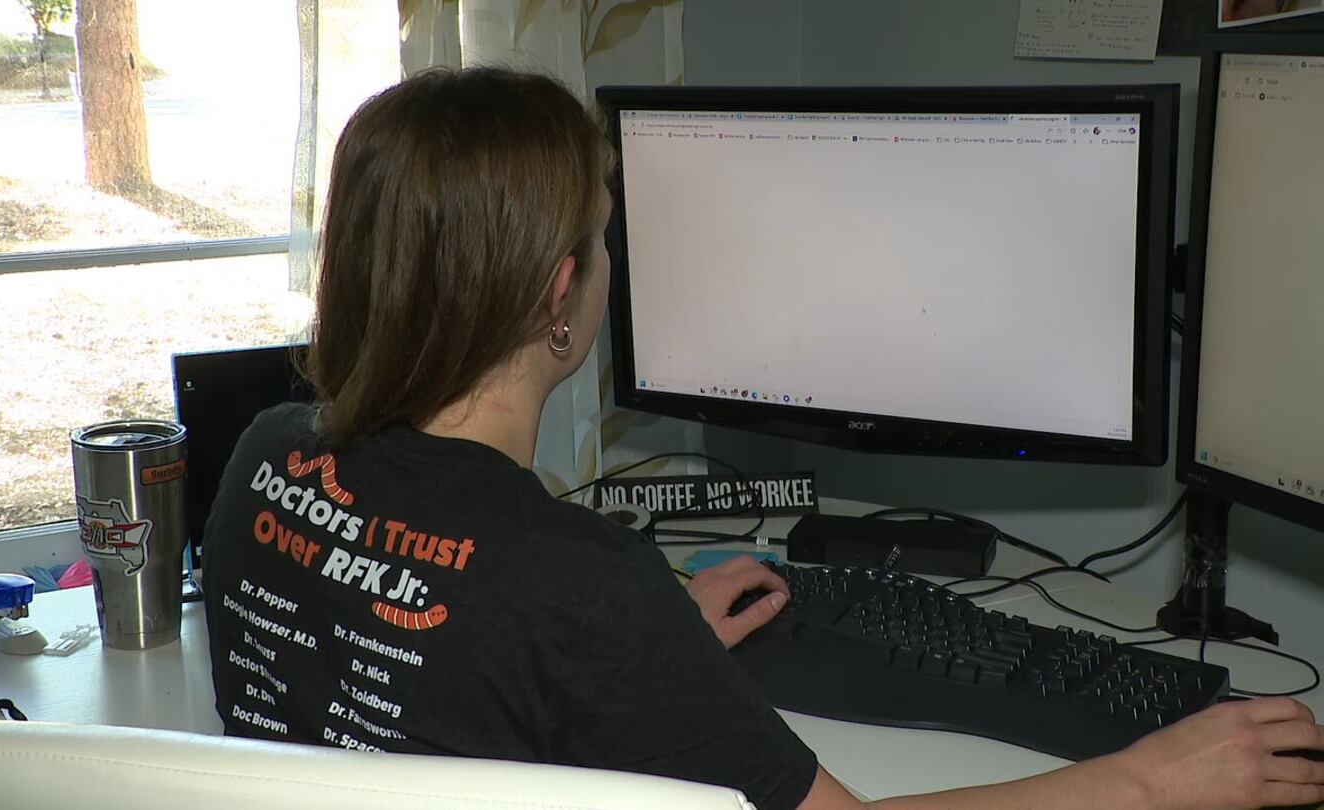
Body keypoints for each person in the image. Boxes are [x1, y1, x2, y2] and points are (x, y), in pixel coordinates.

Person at [202, 67, 1324, 810]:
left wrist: (646, 657)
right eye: (603, 235)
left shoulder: (266, 450)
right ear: (562, 289)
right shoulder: (578, 586)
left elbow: (432, 654)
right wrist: (1147, 782)